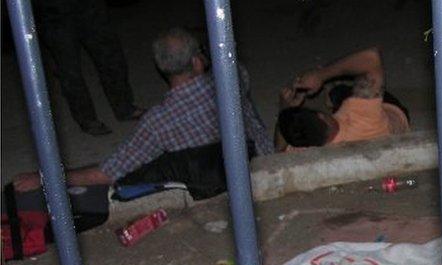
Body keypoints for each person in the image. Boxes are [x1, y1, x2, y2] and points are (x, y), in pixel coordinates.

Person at [13, 27, 274, 200]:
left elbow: (106, 173)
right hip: (259, 165)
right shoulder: (233, 77)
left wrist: (45, 177)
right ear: (197, 61)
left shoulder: (158, 122)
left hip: (212, 185)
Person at [34, 0, 143, 135]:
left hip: (89, 6)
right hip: (53, 13)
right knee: (69, 69)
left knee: (110, 55)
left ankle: (125, 107)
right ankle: (87, 119)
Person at [275, 47, 410, 151]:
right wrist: (321, 75)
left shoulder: (306, 152)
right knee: (341, 92)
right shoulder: (358, 113)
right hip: (395, 118)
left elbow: (279, 149)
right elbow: (371, 57)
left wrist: (284, 109)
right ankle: (333, 89)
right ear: (321, 116)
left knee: (341, 96)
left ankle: (333, 92)